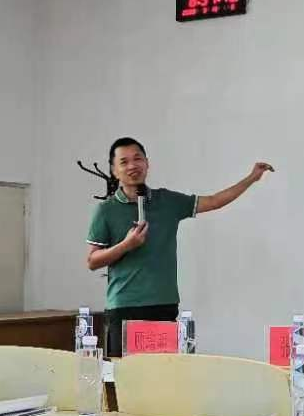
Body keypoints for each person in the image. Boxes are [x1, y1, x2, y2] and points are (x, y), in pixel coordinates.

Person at [86, 137, 273, 357]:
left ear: (147, 163)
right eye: (124, 162)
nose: (132, 166)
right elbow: (92, 261)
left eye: (137, 159)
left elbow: (214, 201)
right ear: (114, 170)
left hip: (164, 304)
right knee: (124, 375)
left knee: (165, 375)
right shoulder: (106, 210)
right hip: (124, 307)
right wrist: (126, 245)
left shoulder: (167, 201)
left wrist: (251, 178)